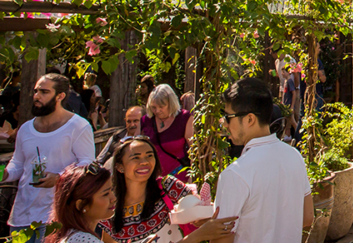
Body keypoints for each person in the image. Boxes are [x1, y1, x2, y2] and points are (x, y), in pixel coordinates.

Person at [215, 77, 313, 243]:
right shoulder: (294, 157)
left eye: (228, 117)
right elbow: (307, 217)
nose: (224, 123)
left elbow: (221, 240)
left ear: (250, 119)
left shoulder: (235, 173)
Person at [3, 73, 96, 243]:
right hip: (22, 217)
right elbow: (18, 163)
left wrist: (59, 178)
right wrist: (4, 174)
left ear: (60, 96)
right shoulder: (25, 129)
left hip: (57, 218)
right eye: (36, 91)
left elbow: (88, 165)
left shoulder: (78, 126)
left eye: (44, 92)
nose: (37, 96)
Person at [102, 135, 236, 242]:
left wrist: (201, 218)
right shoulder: (109, 206)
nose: (144, 162)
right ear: (120, 167)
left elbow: (206, 214)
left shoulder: (168, 187)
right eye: (136, 158)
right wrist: (198, 236)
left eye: (149, 155)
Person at [45, 162, 115, 243]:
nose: (114, 198)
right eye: (106, 194)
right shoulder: (84, 239)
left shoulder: (73, 235)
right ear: (82, 205)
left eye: (112, 190)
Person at [141, 84, 194, 179]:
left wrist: (192, 178)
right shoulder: (145, 121)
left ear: (171, 103)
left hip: (180, 180)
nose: (157, 111)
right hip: (153, 181)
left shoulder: (185, 118)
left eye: (161, 106)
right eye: (153, 107)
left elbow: (194, 151)